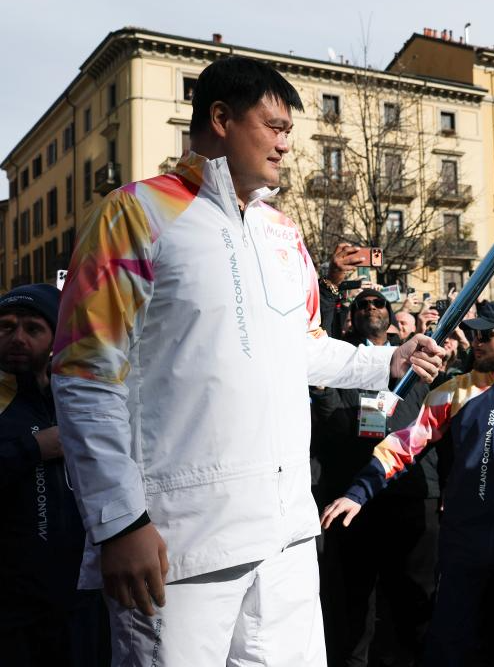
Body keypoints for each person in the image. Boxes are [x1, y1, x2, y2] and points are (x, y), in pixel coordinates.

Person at [51, 56, 444, 666]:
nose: (287, 145)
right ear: (221, 118)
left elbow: (304, 346)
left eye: (289, 131)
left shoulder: (283, 233)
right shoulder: (133, 214)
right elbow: (86, 374)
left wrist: (388, 360)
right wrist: (119, 522)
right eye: (275, 127)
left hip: (286, 535)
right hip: (180, 541)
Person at [322, 300, 494, 666]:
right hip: (466, 545)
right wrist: (358, 493)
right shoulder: (452, 392)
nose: (475, 341)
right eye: (472, 334)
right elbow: (403, 446)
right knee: (451, 643)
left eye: (485, 335)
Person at [314, 289, 438, 667]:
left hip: (410, 492)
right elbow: (331, 425)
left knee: (412, 599)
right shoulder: (342, 360)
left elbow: (435, 423)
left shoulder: (417, 360)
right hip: (353, 496)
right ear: (352, 317)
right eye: (363, 305)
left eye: (378, 303)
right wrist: (324, 395)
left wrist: (443, 487)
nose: (371, 308)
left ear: (390, 315)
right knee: (354, 602)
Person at [0, 285, 107, 665]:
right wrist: (31, 449)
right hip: (12, 610)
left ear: (55, 338)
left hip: (79, 601)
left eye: (33, 328)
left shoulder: (78, 397)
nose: (18, 338)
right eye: (6, 326)